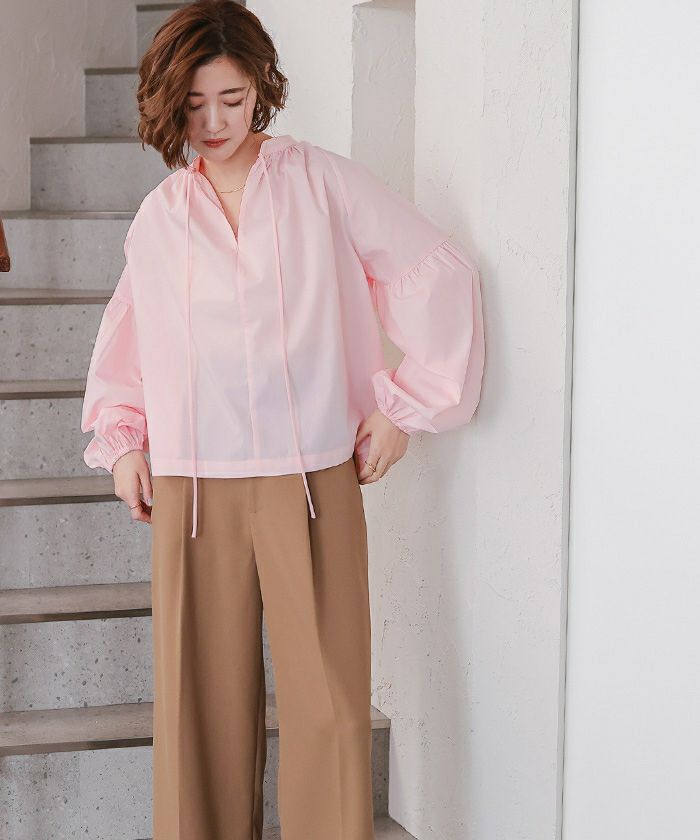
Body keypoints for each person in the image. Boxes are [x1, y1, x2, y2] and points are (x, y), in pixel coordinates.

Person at [79, 1, 485, 838]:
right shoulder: (162, 215)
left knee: (330, 704)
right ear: (168, 105)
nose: (213, 122)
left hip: (312, 480)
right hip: (193, 489)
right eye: (194, 104)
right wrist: (123, 442)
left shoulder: (322, 182)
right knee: (198, 715)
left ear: (261, 87)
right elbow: (130, 337)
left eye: (231, 99)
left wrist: (403, 409)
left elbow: (434, 272)